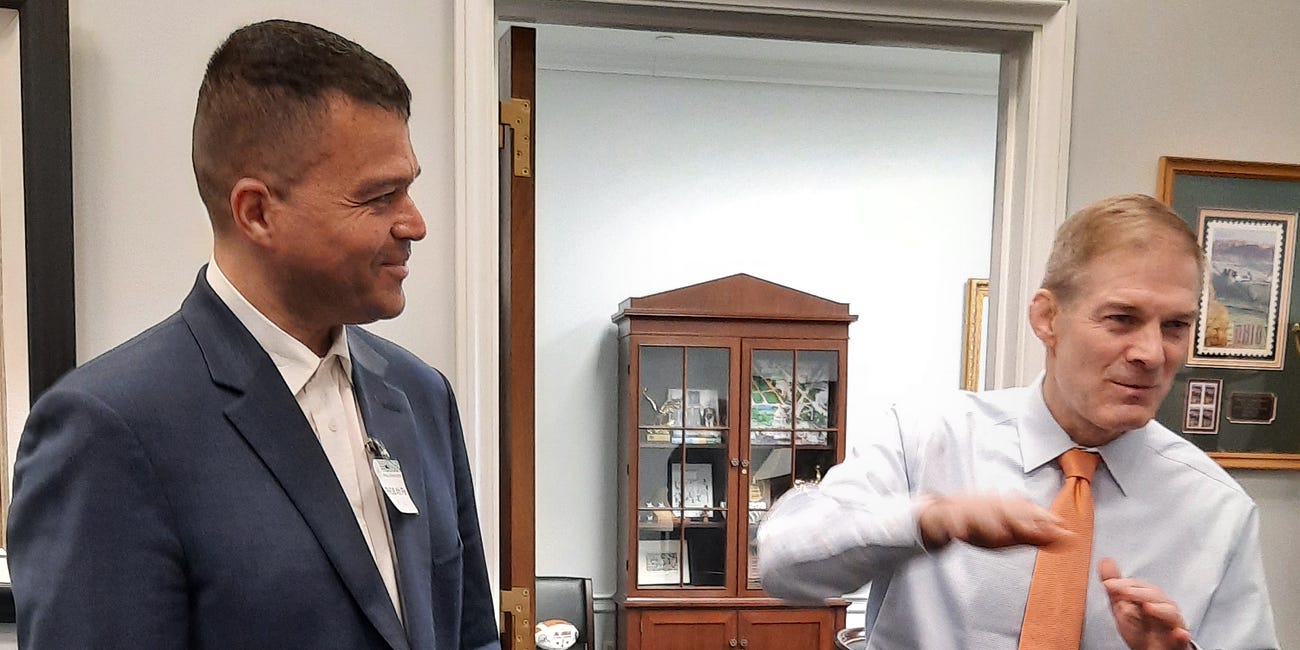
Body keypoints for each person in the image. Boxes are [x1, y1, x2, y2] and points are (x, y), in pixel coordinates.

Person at [8, 20, 500, 650]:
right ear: (257, 212)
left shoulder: (420, 394)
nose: (415, 223)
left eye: (410, 188)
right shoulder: (108, 431)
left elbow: (470, 634)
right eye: (380, 197)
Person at [758, 194, 1278, 649]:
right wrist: (924, 521)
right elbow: (783, 564)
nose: (1151, 353)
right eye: (1121, 319)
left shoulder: (1217, 511)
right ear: (1047, 318)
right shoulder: (927, 441)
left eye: (1175, 326)